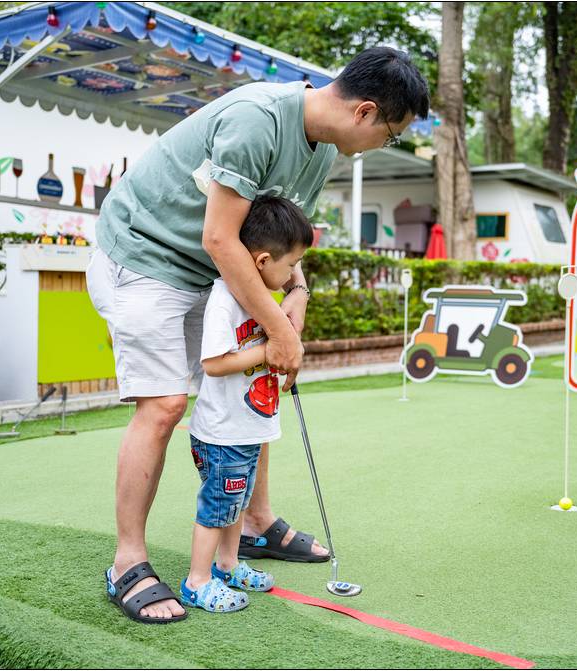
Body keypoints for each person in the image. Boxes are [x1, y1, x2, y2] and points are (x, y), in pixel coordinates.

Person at [89, 46, 430, 622]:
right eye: (392, 134)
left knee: (254, 383)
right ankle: (128, 562)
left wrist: (295, 295)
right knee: (166, 403)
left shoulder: (321, 149)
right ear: (366, 112)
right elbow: (222, 239)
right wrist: (279, 330)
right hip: (145, 255)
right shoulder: (258, 120)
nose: (384, 145)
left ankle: (254, 524)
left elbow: (283, 237)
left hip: (210, 272)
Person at [178, 196, 312, 613]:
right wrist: (269, 349)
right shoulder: (225, 300)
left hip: (246, 430)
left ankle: (227, 565)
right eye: (290, 266)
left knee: (236, 502)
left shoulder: (256, 297)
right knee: (217, 507)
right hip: (222, 434)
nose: (293, 276)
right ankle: (197, 582)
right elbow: (214, 364)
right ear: (263, 260)